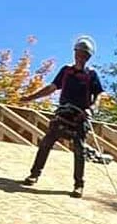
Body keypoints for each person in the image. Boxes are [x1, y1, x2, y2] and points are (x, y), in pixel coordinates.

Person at [21, 36, 104, 198]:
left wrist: (92, 109)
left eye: (84, 55)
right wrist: (30, 98)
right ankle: (34, 174)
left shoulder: (91, 75)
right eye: (79, 54)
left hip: (80, 117)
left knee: (79, 149)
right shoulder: (66, 71)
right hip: (63, 114)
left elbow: (99, 94)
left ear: (88, 57)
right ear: (75, 53)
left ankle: (78, 185)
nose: (80, 57)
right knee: (46, 143)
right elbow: (52, 88)